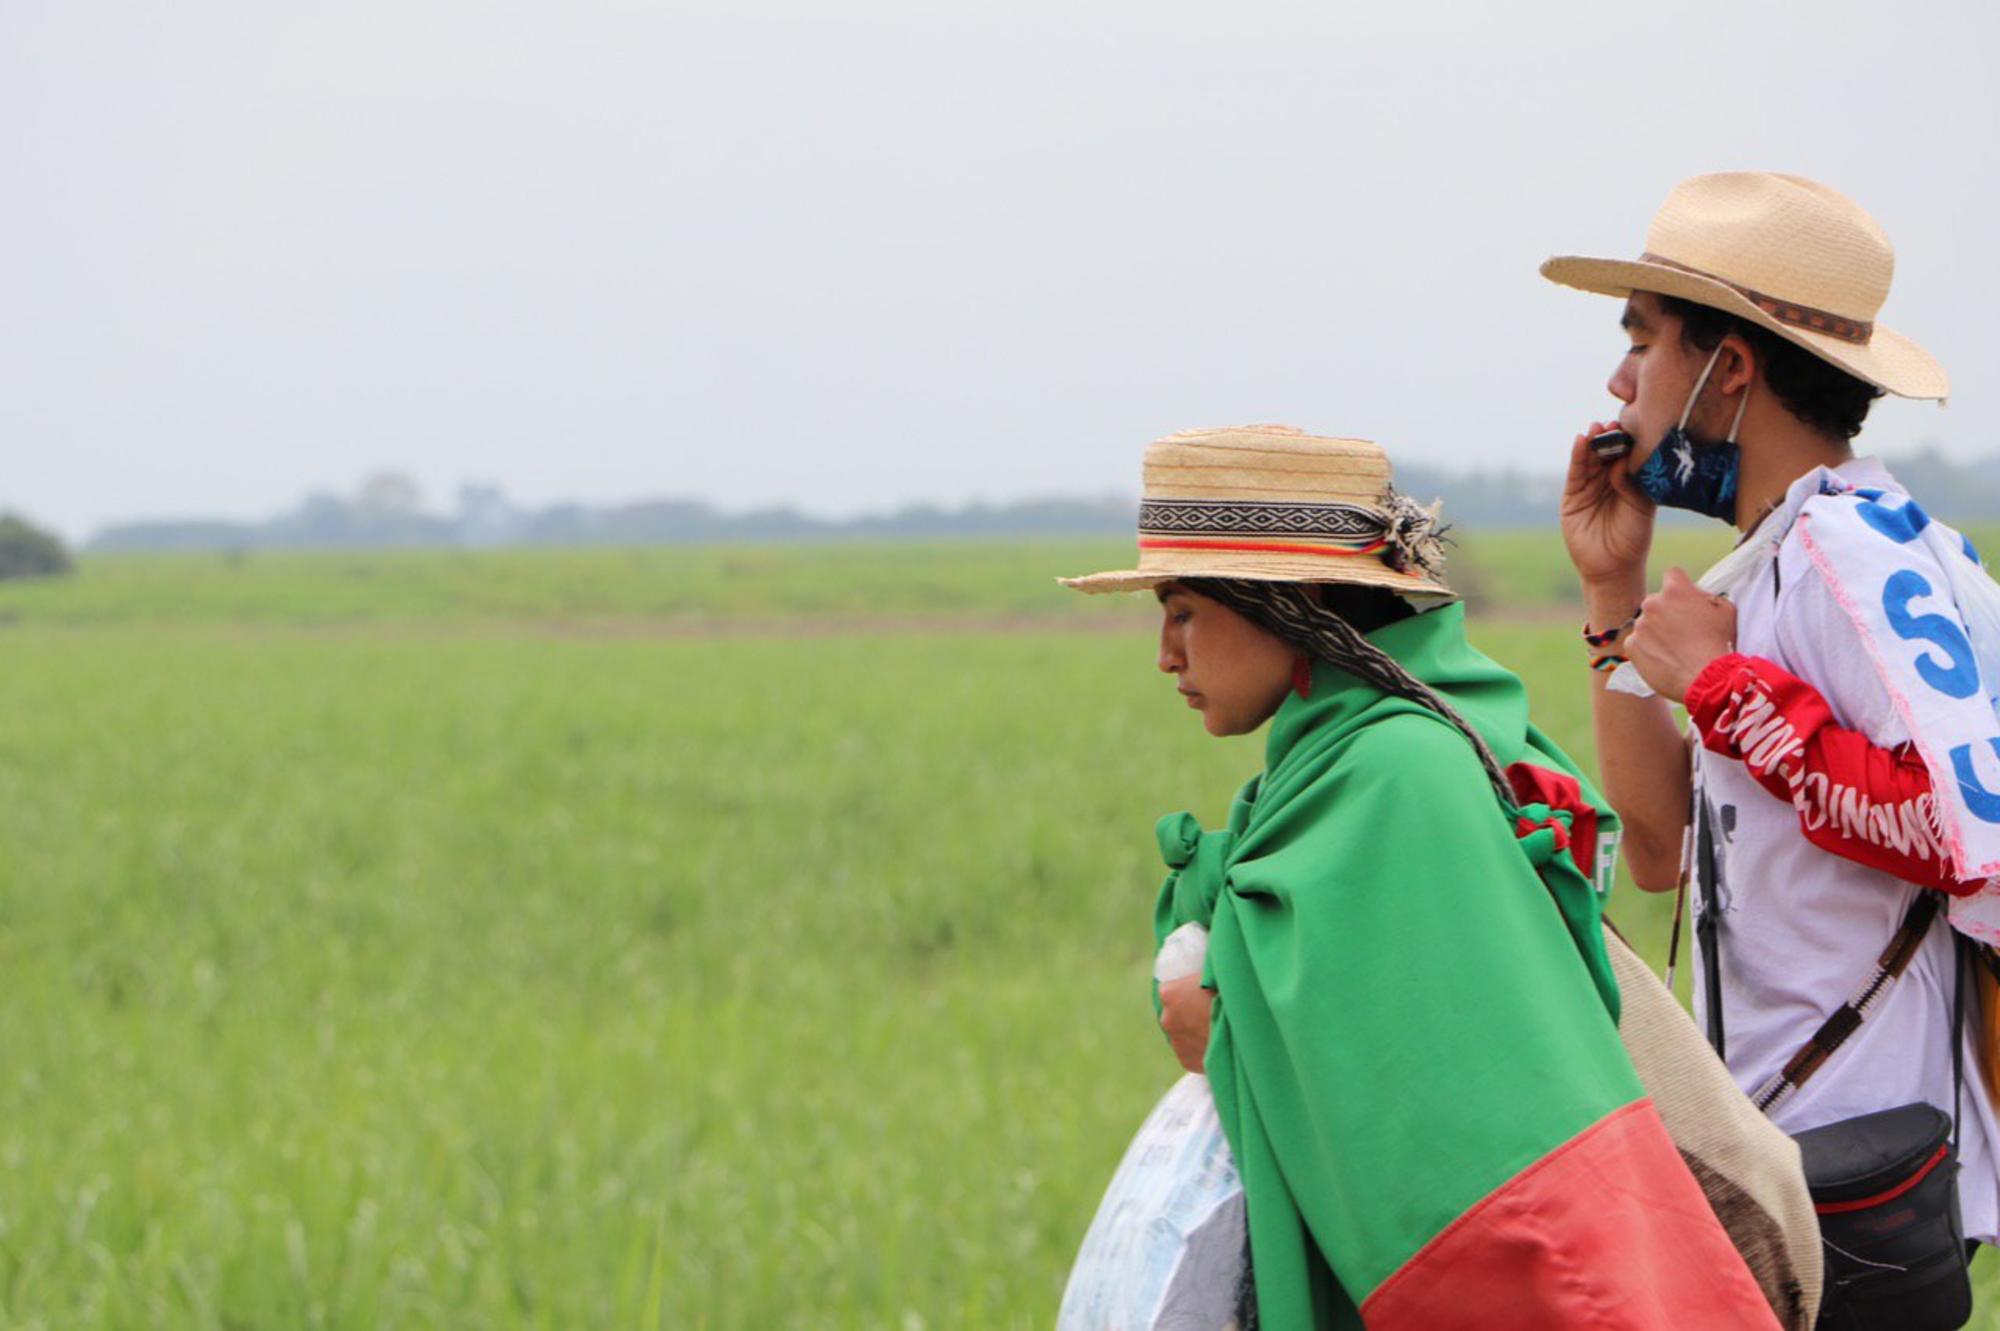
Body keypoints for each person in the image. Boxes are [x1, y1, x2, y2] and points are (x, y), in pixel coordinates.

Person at [1061, 424, 1779, 1328]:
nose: (1166, 654)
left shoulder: (1399, 771)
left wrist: (1230, 1029)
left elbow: (1445, 1096)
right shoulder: (1349, 757)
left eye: (1183, 611)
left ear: (1292, 600)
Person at [1542, 171, 2000, 1250]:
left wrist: (1722, 688)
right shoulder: (1789, 553)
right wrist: (1612, 588)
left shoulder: (1855, 552)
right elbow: (1657, 846)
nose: (1618, 381)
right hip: (1786, 1155)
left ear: (1730, 368)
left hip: (1860, 1170)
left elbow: (1966, 831)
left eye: (1641, 341)